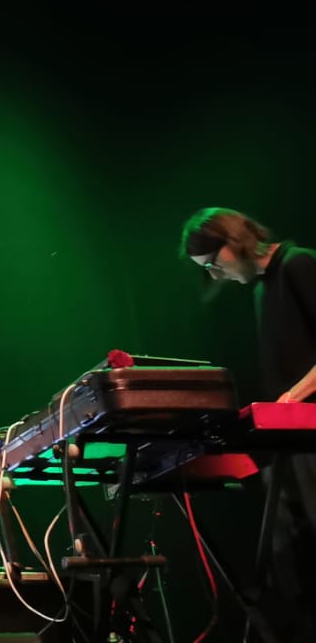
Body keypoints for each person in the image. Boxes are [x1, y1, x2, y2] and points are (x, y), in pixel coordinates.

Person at [180, 207, 316, 640]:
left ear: (231, 241)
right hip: (289, 441)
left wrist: (293, 396)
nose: (216, 276)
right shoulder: (262, 289)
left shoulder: (299, 264)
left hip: (311, 437)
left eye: (214, 265)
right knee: (290, 564)